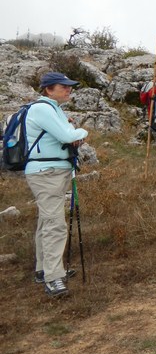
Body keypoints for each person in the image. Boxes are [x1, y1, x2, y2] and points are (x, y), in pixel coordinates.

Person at [24, 72, 88, 298]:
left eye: (70, 86)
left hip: (52, 172)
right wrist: (81, 132)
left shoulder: (54, 110)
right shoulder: (42, 109)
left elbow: (65, 134)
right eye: (64, 86)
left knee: (46, 221)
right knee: (55, 224)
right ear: (49, 89)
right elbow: (67, 136)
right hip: (46, 173)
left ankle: (43, 270)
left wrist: (71, 131)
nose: (68, 89)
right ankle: (53, 278)